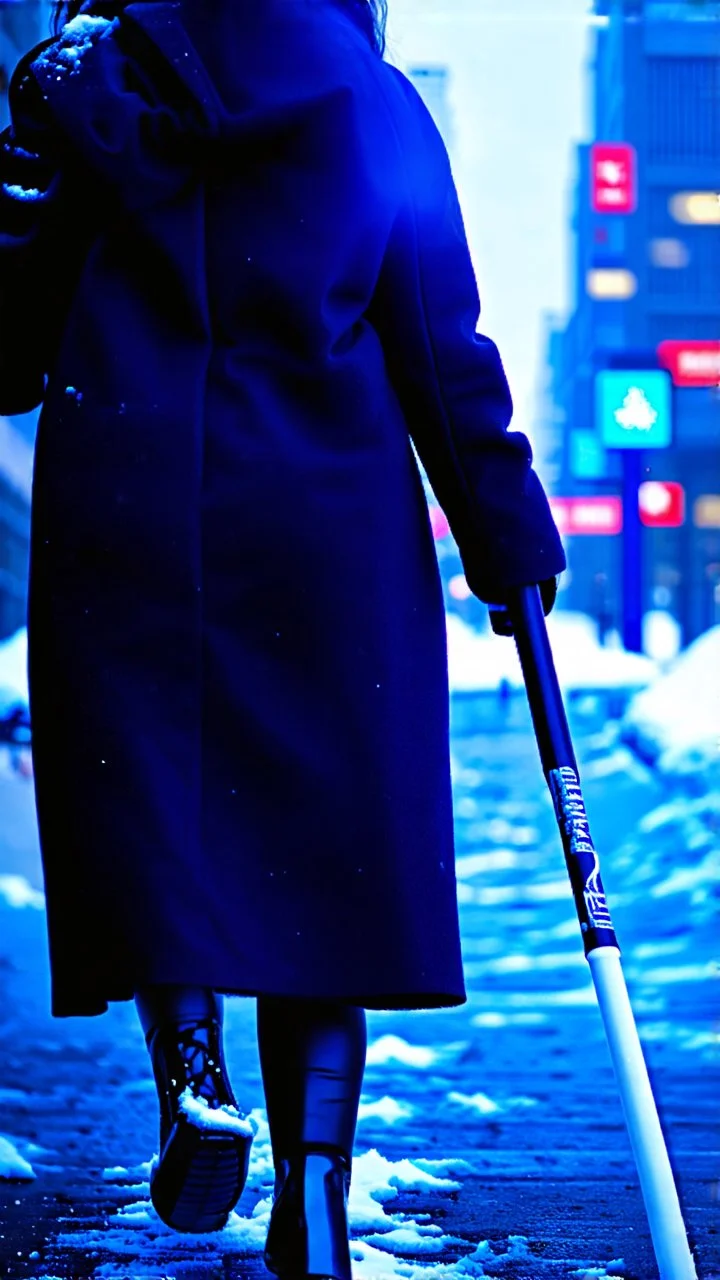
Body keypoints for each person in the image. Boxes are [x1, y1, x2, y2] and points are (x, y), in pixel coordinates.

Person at [0, 0, 565, 1272]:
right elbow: (439, 344)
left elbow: (8, 354)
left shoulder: (90, 88)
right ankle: (313, 1197)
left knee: (154, 795)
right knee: (327, 855)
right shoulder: (373, 106)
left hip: (129, 505)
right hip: (326, 522)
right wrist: (506, 530)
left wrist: (29, 179)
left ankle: (193, 1076)